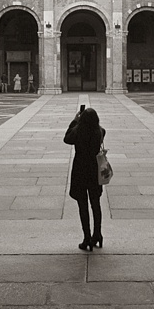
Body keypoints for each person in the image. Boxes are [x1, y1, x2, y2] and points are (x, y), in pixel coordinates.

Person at [64, 107, 105, 251]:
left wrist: (75, 121)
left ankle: (86, 238)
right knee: (96, 203)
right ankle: (98, 234)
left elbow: (66, 138)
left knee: (83, 205)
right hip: (94, 169)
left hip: (81, 169)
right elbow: (101, 130)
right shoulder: (100, 131)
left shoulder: (78, 131)